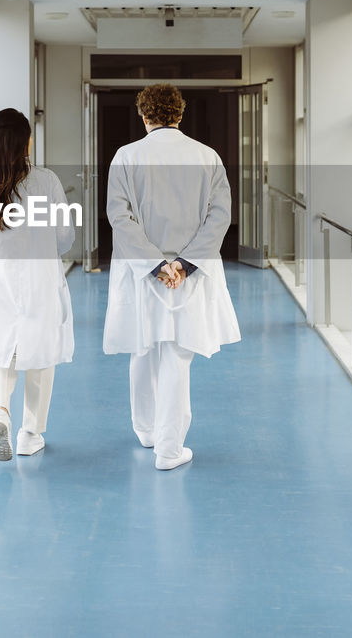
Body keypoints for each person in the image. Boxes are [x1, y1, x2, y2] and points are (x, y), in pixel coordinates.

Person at [102, 83, 240, 470]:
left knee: (143, 348)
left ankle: (147, 430)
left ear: (144, 115)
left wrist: (155, 264)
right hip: (188, 277)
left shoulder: (126, 156)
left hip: (142, 274)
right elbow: (219, 217)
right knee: (178, 355)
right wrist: (183, 264)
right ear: (180, 113)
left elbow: (120, 217)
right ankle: (169, 449)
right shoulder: (207, 157)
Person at [0, 108, 75, 461]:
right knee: (41, 352)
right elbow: (65, 237)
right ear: (25, 142)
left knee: (4, 347)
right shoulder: (46, 181)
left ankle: (1, 411)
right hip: (40, 278)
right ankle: (30, 433)